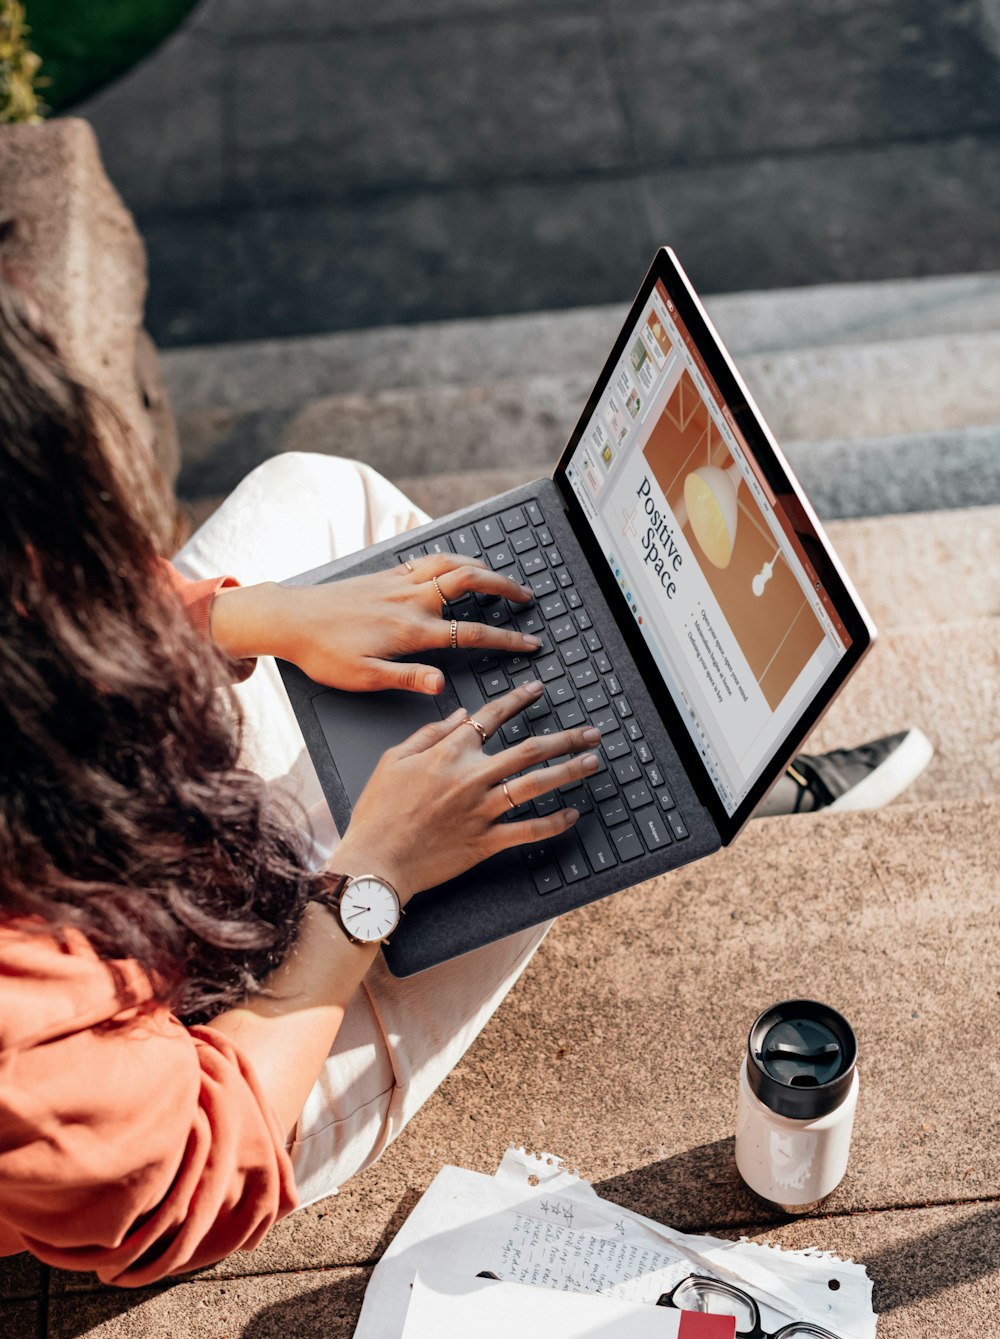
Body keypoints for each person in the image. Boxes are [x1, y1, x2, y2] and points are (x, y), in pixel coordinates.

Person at [0, 261, 930, 1287]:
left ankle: (629, 729)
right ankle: (698, 762)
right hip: (193, 1078)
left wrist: (255, 616)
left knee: (325, 495)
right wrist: (373, 881)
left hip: (94, 857)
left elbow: (52, 607)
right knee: (548, 799)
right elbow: (191, 1169)